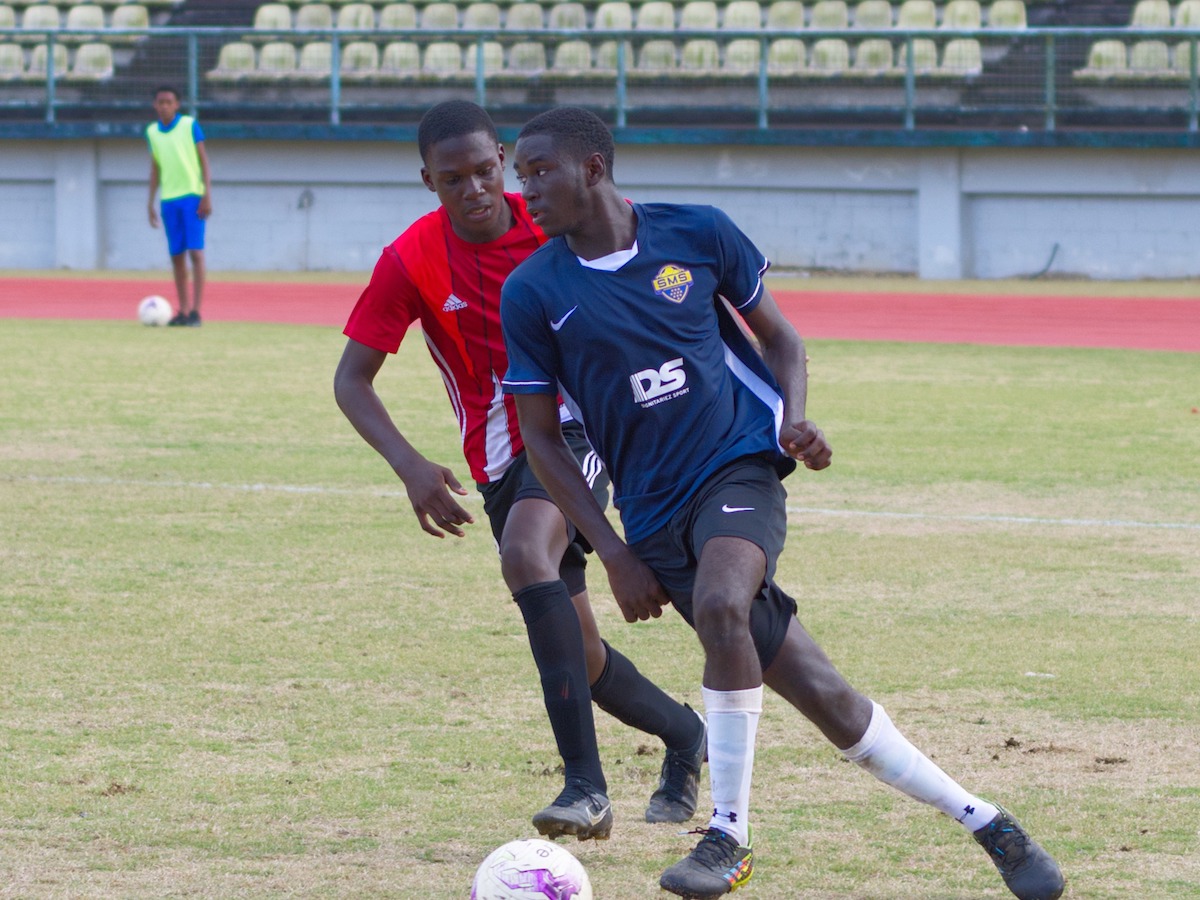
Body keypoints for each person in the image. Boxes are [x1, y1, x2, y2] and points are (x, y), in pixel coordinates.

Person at [499, 105, 1066, 900]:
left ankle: (726, 835)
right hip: (653, 515)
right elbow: (542, 441)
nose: (525, 189)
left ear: (592, 168)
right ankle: (987, 822)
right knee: (829, 699)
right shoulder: (532, 291)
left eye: (538, 170)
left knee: (727, 605)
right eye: (519, 174)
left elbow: (782, 339)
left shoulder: (698, 233)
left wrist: (794, 416)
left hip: (737, 467)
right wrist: (616, 551)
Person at [333, 100, 706, 842]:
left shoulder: (554, 218)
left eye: (483, 170)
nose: (473, 188)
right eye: (452, 179)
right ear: (427, 182)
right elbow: (352, 378)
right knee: (584, 650)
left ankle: (584, 790)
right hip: (500, 458)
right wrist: (409, 466)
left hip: (579, 428)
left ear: (501, 159)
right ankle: (686, 735)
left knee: (523, 554)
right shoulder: (410, 258)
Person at [146, 85, 212, 327]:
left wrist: (207, 194)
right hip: (169, 200)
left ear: (177, 105)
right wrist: (150, 201)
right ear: (155, 105)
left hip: (192, 196)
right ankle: (182, 311)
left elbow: (204, 163)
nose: (164, 106)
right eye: (160, 102)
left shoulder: (189, 125)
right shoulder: (152, 132)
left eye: (169, 101)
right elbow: (155, 167)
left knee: (196, 252)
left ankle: (196, 311)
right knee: (176, 256)